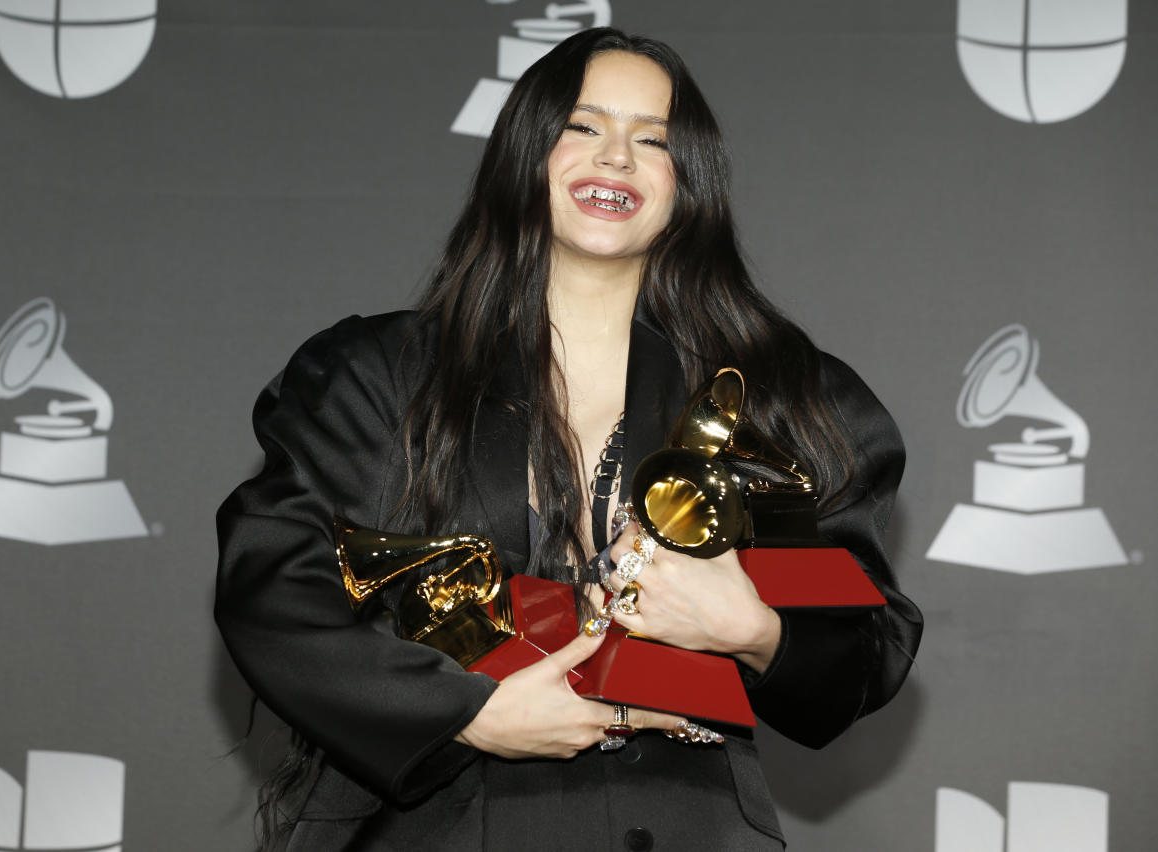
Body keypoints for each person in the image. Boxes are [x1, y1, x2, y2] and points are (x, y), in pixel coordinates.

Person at [215, 27, 922, 852]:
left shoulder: (772, 399)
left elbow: (863, 643)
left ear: (686, 182)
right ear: (523, 154)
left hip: (683, 822)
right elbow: (275, 580)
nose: (615, 157)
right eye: (583, 127)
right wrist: (467, 714)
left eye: (651, 139)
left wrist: (751, 629)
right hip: (427, 825)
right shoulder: (375, 373)